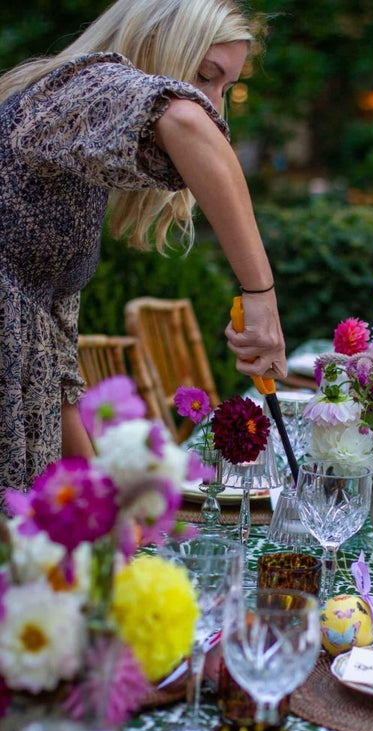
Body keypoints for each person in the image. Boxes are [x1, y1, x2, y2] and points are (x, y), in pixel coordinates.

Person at [0, 0, 286, 499]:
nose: (213, 106)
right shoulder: (75, 91)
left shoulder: (78, 153)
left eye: (226, 88)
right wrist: (260, 296)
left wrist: (99, 510)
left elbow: (56, 365)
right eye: (204, 75)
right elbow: (181, 118)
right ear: (158, 48)